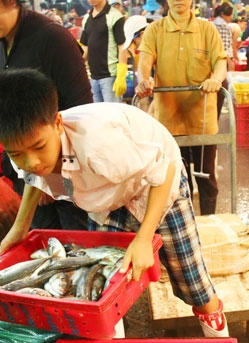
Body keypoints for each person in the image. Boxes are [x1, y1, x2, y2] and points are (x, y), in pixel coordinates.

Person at [0, 68, 230, 338]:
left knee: (191, 279)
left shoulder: (99, 147)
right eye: (17, 154)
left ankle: (219, 336)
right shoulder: (30, 149)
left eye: (40, 147)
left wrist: (144, 238)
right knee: (105, 281)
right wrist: (21, 227)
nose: (32, 161)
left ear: (58, 124)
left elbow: (164, 170)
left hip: (156, 182)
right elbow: (31, 175)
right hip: (108, 193)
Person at [0, 0, 93, 231]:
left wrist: (48, 179)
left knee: (75, 244)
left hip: (62, 171)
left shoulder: (52, 38)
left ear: (11, 2)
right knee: (44, 244)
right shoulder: (0, 40)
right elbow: (14, 101)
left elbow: (82, 112)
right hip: (27, 170)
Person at [136, 0, 228, 216]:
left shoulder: (207, 29)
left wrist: (216, 78)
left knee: (207, 180)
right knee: (176, 182)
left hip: (203, 120)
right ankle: (185, 230)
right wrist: (144, 80)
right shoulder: (155, 30)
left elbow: (220, 62)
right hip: (168, 120)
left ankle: (209, 223)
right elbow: (145, 63)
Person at [80, 0, 127, 102]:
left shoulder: (115, 16)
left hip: (110, 76)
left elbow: (122, 46)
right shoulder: (86, 19)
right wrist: (78, 65)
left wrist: (121, 75)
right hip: (93, 77)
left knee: (112, 115)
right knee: (97, 116)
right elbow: (85, 47)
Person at [213, 2, 235, 119]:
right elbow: (224, 48)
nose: (232, 17)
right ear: (226, 14)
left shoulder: (212, 24)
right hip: (221, 62)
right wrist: (230, 63)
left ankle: (213, 117)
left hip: (212, 62)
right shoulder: (224, 26)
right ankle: (215, 118)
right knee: (221, 89)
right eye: (231, 14)